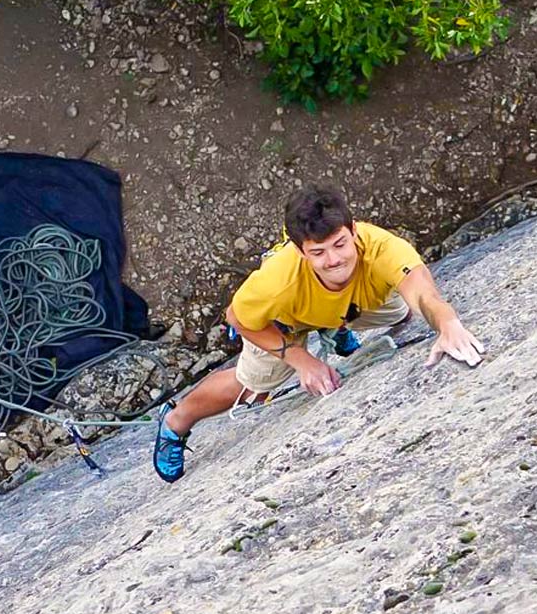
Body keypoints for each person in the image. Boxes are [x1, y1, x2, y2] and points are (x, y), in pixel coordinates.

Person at [153, 184, 484, 482]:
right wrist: (300, 360)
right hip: (286, 320)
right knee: (254, 386)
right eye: (318, 252)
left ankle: (335, 324)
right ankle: (176, 421)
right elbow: (238, 319)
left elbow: (423, 292)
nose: (334, 260)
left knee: (401, 310)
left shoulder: (382, 248)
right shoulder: (278, 281)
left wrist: (447, 323)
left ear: (354, 231)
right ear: (300, 252)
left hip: (350, 301)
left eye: (340, 244)